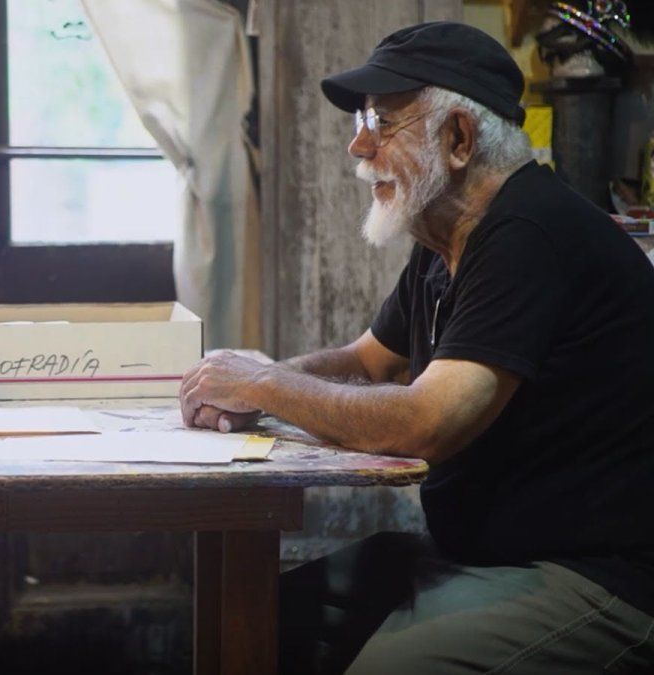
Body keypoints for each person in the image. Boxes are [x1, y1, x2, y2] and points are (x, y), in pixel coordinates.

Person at [180, 21, 654, 673]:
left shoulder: (528, 233)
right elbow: (367, 360)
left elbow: (427, 421)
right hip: (478, 557)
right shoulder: (445, 239)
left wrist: (263, 384)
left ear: (458, 138)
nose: (358, 144)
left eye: (381, 121)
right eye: (361, 121)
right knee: (256, 617)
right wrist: (255, 386)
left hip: (594, 578)